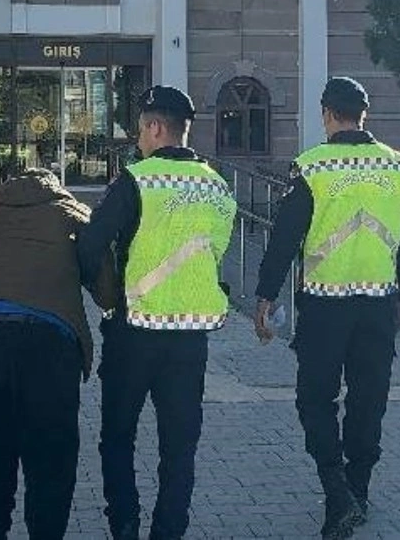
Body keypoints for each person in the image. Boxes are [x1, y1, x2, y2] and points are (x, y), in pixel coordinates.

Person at [253, 76, 400, 540]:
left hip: (325, 307)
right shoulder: (398, 166)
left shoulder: (312, 167)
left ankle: (336, 491)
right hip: (378, 305)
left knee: (315, 399)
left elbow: (285, 237)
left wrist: (265, 295)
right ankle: (358, 492)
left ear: (327, 114)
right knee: (369, 399)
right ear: (365, 115)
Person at [77, 85, 238, 540]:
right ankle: (169, 531)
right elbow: (217, 254)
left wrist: (103, 293)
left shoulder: (135, 180)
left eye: (139, 131)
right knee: (179, 447)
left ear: (153, 127)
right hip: (191, 337)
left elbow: (89, 246)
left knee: (118, 438)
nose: (138, 140)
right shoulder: (217, 184)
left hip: (133, 332)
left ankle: (125, 526)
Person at [0, 169, 118, 540]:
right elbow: (105, 284)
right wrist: (110, 300)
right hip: (52, 340)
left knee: (1, 439)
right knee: (54, 449)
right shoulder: (72, 212)